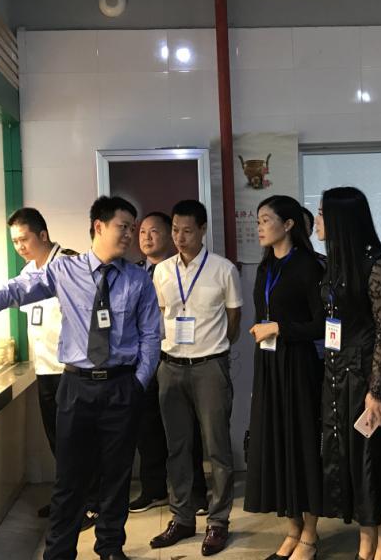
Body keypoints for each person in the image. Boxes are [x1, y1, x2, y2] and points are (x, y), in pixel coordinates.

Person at [0, 196, 161, 560]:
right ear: (99, 227)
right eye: (123, 227)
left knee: (117, 475)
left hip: (121, 387)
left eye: (132, 228)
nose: (130, 235)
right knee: (69, 477)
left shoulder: (138, 279)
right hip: (76, 387)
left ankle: (110, 547)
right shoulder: (65, 271)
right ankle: (59, 552)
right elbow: (14, 290)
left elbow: (151, 336)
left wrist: (138, 383)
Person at [316, 187, 381, 560]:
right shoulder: (336, 263)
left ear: (341, 219)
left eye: (322, 214)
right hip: (337, 374)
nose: (318, 221)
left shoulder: (376, 265)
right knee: (351, 459)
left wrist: (375, 391)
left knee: (377, 458)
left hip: (369, 375)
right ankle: (365, 538)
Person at [150, 200, 243, 557]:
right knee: (177, 446)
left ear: (203, 229)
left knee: (217, 447)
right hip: (170, 366)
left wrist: (213, 348)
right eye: (175, 230)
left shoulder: (223, 269)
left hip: (209, 367)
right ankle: (182, 517)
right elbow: (162, 314)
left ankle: (218, 522)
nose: (180, 237)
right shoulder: (162, 271)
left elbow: (233, 320)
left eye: (187, 230)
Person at [244, 195, 325, 560]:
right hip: (268, 365)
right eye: (258, 220)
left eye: (266, 220)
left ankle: (310, 532)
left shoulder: (308, 266)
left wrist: (280, 327)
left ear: (288, 224)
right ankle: (292, 527)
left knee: (302, 443)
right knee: (276, 444)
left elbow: (322, 324)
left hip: (299, 365)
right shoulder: (266, 267)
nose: (259, 227)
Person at [132, 211, 209, 514]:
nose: (146, 238)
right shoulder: (132, 272)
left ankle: (195, 492)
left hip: (176, 357)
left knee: (185, 430)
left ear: (170, 235)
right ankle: (154, 490)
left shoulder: (183, 271)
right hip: (141, 360)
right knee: (146, 427)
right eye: (142, 232)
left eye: (154, 232)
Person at [7, 208, 82, 519]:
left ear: (43, 235)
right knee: (58, 442)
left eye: (24, 239)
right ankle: (68, 502)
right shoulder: (27, 274)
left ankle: (86, 505)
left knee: (77, 442)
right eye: (15, 241)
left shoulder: (69, 264)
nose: (20, 246)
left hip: (70, 371)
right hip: (45, 370)